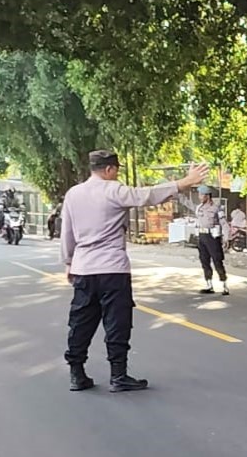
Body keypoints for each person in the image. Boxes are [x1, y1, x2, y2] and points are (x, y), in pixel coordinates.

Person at [61, 151, 208, 392]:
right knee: (117, 322)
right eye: (116, 169)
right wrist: (184, 182)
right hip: (112, 269)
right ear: (108, 169)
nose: (117, 173)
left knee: (81, 322)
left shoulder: (73, 194)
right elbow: (147, 196)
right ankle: (118, 376)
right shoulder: (114, 190)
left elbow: (67, 232)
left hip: (84, 269)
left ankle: (77, 374)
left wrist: (69, 262)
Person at [195, 186, 228, 295]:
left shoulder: (216, 208)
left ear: (207, 196)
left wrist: (227, 237)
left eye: (201, 195)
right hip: (202, 236)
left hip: (212, 237)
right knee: (204, 261)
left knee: (217, 261)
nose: (199, 197)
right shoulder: (199, 207)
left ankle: (224, 285)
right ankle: (209, 285)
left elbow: (224, 223)